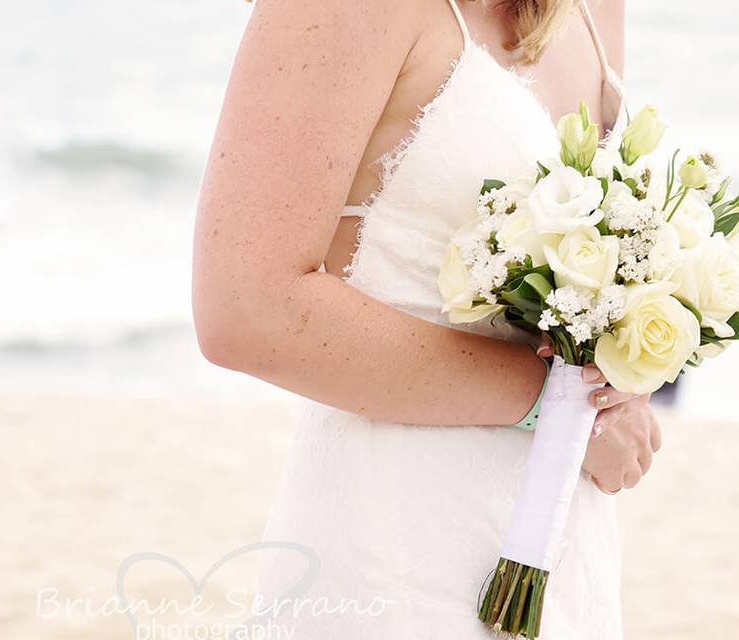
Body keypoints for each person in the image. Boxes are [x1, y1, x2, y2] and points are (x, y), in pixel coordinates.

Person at [193, 0, 659, 636]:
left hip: (565, 539)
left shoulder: (591, 9)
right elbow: (246, 308)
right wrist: (555, 405)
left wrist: (624, 371)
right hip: (393, 541)